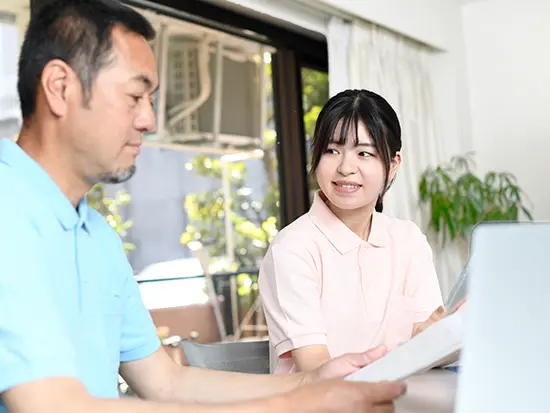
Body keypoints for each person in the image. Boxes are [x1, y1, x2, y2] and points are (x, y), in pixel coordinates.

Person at [0, 1, 407, 412]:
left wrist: (311, 382)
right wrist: (302, 406)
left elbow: (165, 381)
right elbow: (50, 405)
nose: (149, 120)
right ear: (60, 86)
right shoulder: (7, 209)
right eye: (135, 96)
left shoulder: (96, 236)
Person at [259, 89, 454, 374]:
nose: (346, 167)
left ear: (393, 165)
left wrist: (445, 335)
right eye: (331, 150)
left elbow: (428, 345)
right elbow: (318, 372)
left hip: (402, 398)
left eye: (364, 153)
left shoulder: (408, 240)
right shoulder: (293, 248)